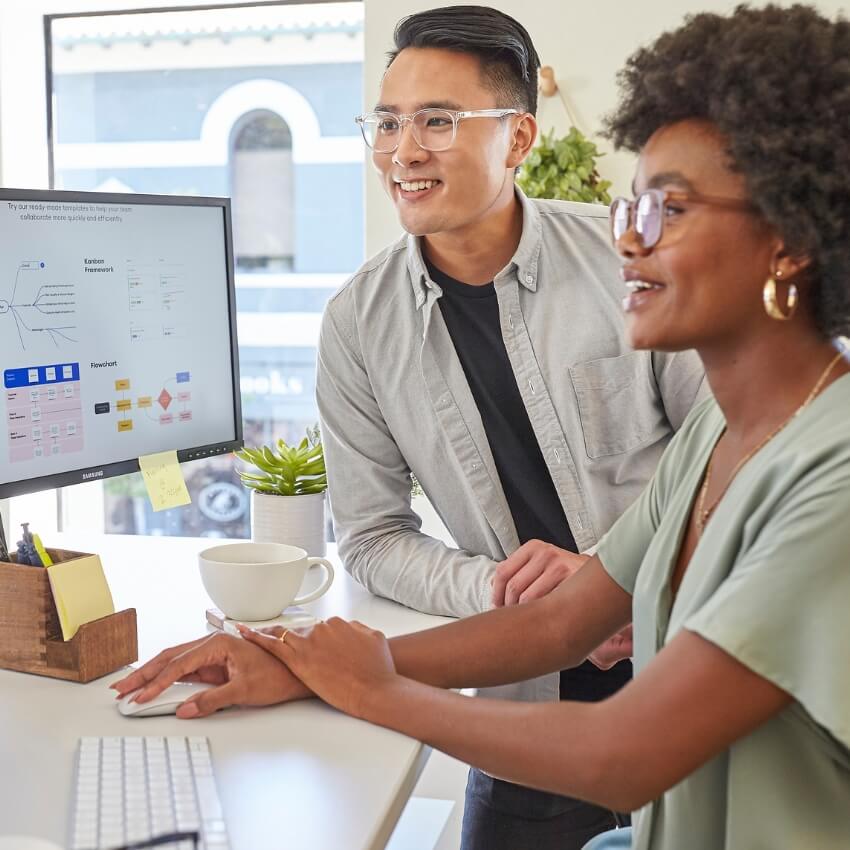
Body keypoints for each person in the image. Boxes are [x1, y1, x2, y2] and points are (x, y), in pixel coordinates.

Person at [113, 4, 850, 849]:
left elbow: (627, 755)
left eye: (668, 212)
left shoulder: (829, 473)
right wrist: (302, 662)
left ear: (789, 240)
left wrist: (377, 693)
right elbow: (555, 623)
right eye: (388, 122)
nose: (631, 243)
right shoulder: (711, 446)